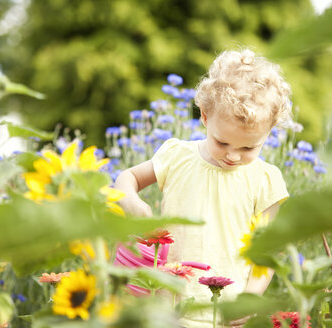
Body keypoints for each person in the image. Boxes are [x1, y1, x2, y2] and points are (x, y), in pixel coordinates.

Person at [115, 48, 291, 328]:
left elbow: (266, 250)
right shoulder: (177, 156)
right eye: (222, 142)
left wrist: (250, 298)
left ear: (269, 133)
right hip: (168, 306)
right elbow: (127, 178)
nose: (233, 155)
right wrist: (131, 201)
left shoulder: (266, 179)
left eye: (248, 147)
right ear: (206, 117)